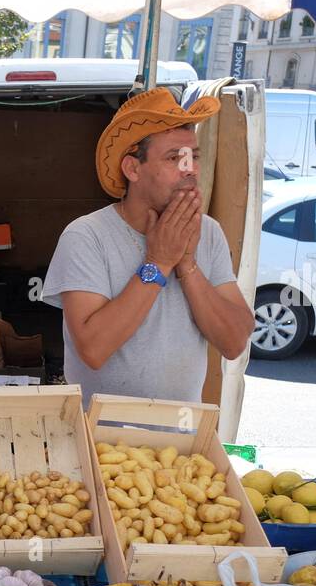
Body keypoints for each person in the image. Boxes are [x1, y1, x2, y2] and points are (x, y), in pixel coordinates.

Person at [41, 88, 254, 405]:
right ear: (132, 169)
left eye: (193, 156)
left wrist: (187, 265)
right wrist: (158, 263)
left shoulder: (208, 232)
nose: (190, 169)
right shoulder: (86, 235)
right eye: (174, 158)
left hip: (181, 441)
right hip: (102, 442)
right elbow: (94, 350)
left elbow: (235, 342)